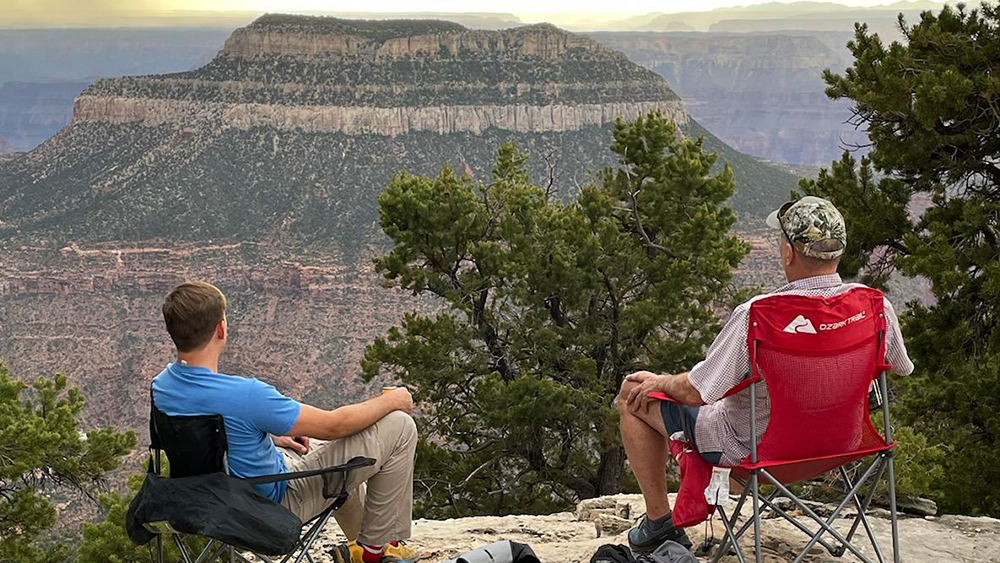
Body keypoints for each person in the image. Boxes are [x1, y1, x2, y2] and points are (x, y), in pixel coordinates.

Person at [616, 197, 914, 553]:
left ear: (788, 252)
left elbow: (697, 391)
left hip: (752, 453)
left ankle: (659, 525)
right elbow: (899, 366)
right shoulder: (876, 306)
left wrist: (661, 381)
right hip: (843, 445)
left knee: (633, 392)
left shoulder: (758, 315)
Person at [151, 281, 418, 563]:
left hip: (206, 499)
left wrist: (267, 436)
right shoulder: (246, 395)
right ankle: (374, 552)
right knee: (399, 427)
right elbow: (334, 425)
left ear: (172, 332)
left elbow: (205, 437)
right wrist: (393, 400)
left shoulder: (162, 386)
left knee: (318, 445)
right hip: (270, 506)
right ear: (221, 329)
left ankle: (361, 547)